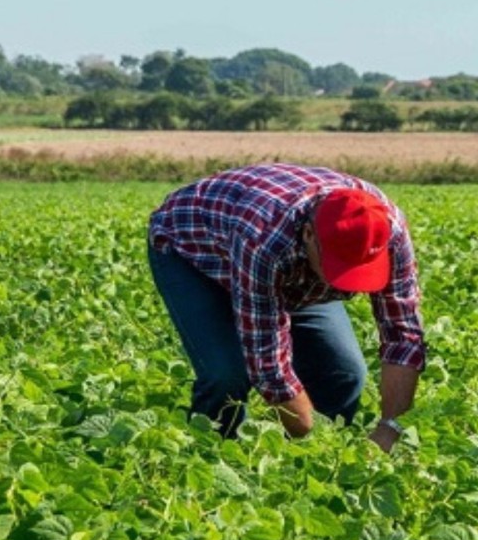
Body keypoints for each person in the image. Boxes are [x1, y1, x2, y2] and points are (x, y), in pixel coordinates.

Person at [147, 163, 425, 452]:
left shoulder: (386, 228)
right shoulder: (263, 235)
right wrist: (314, 441)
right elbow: (267, 362)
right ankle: (213, 457)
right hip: (192, 250)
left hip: (287, 267)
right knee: (226, 375)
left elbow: (403, 336)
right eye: (339, 268)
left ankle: (294, 460)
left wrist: (390, 428)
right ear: (308, 236)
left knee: (345, 373)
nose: (346, 285)